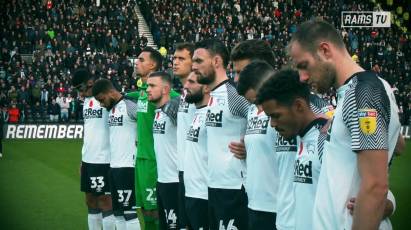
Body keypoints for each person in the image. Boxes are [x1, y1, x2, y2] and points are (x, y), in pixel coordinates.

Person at [288, 19, 401, 229]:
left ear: (325, 50)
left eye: (304, 66)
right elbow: (398, 144)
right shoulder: (367, 88)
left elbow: (375, 185)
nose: (302, 78)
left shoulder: (362, 94)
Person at [192, 39, 249, 229]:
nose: (194, 66)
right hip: (214, 186)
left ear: (216, 62)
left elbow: (264, 118)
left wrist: (250, 145)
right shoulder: (213, 97)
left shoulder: (235, 95)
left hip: (234, 189)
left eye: (199, 61)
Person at [127, 47, 179, 230]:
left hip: (154, 159)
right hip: (141, 157)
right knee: (144, 210)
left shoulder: (167, 94)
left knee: (155, 211)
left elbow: (178, 101)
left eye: (141, 60)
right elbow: (136, 95)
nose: (137, 62)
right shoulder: (143, 91)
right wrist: (122, 96)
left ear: (153, 64)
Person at [93, 79, 141, 230]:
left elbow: (146, 125)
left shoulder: (130, 105)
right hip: (114, 167)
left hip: (128, 167)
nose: (101, 104)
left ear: (111, 93)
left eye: (102, 99)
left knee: (129, 212)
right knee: (118, 213)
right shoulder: (112, 109)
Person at [236, 61, 278, 230]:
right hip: (254, 203)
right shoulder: (252, 110)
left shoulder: (285, 109)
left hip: (278, 206)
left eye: (256, 99)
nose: (256, 104)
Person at [72, 68, 115, 230]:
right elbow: (90, 132)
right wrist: (83, 160)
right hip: (88, 160)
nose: (80, 94)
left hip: (104, 159)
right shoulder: (87, 102)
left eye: (80, 89)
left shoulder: (106, 97)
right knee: (90, 201)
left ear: (89, 83)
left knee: (105, 201)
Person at [146, 71, 180, 229]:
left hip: (175, 182)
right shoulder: (158, 113)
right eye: (147, 86)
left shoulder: (175, 110)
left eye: (152, 86)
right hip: (162, 182)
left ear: (166, 89)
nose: (148, 89)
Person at [183, 71, 211, 229]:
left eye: (192, 82)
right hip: (191, 192)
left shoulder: (212, 113)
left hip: (205, 194)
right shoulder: (196, 113)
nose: (186, 86)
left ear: (206, 88)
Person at [173, 42, 196, 229]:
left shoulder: (201, 92)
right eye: (174, 58)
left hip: (197, 173)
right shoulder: (184, 93)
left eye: (181, 59)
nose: (175, 62)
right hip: (182, 170)